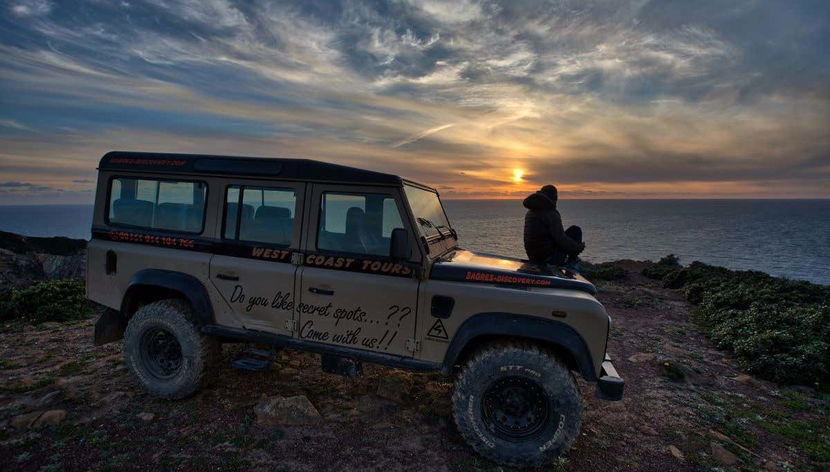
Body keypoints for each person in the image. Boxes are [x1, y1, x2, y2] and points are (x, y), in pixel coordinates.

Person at [523, 185, 585, 270]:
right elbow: (561, 239)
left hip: (534, 257)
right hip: (549, 259)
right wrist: (578, 247)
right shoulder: (550, 213)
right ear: (554, 197)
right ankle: (571, 265)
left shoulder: (531, 211)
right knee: (575, 230)